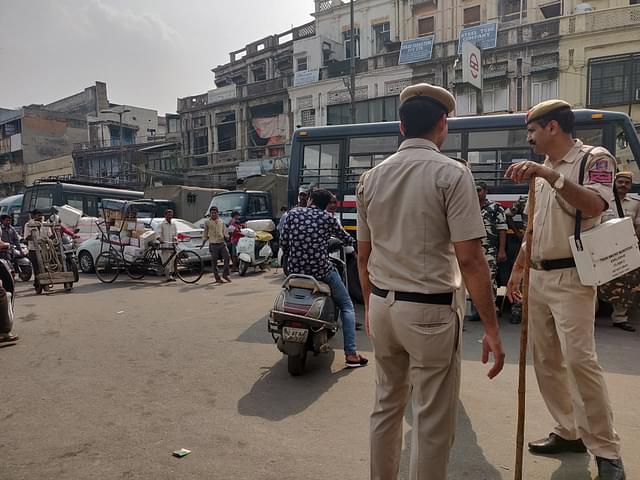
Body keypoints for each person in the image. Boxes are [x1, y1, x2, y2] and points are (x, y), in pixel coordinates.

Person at [357, 83, 505, 480]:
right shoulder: (453, 174)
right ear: (443, 125)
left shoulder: (370, 178)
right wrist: (491, 328)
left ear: (402, 126)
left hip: (383, 307)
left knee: (386, 406)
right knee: (431, 422)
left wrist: (370, 306)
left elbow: (363, 255)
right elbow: (471, 259)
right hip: (430, 311)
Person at [506, 99, 625, 480]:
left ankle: (607, 451)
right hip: (539, 276)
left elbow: (593, 207)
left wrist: (549, 175)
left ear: (552, 127)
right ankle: (568, 429)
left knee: (580, 361)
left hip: (573, 276)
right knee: (545, 362)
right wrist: (519, 269)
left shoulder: (594, 158)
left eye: (533, 131)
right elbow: (535, 227)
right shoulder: (543, 171)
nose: (530, 139)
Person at [280, 188, 368, 368]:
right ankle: (351, 354)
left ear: (310, 199)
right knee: (347, 305)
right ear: (327, 204)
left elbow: (283, 243)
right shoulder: (328, 218)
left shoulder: (292, 214)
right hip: (321, 271)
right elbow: (346, 238)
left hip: (294, 270)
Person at [598, 171, 640, 332]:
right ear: (614, 183)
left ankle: (620, 318)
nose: (623, 185)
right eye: (620, 182)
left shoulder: (636, 203)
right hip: (602, 248)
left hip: (626, 248)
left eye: (627, 183)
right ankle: (589, 315)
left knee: (627, 284)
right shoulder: (604, 200)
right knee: (594, 282)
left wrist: (633, 244)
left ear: (630, 185)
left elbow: (638, 225)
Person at [468, 181, 508, 321]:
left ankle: (491, 310)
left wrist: (501, 250)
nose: (476, 193)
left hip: (489, 250)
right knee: (473, 280)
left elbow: (502, 230)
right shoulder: (468, 207)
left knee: (489, 280)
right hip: (472, 250)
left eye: (478, 190)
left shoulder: (495, 208)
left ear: (485, 191)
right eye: (474, 190)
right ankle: (478, 310)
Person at [200, 206, 231, 284]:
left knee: (227, 258)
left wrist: (227, 238)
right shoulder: (207, 222)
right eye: (212, 213)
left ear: (217, 213)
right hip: (213, 244)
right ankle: (217, 278)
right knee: (214, 262)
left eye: (215, 213)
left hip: (222, 243)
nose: (213, 214)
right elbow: (205, 233)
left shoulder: (221, 221)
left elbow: (225, 231)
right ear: (210, 214)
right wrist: (203, 243)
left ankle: (225, 274)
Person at [23, 210, 49, 291]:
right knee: (36, 267)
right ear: (34, 216)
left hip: (44, 249)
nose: (40, 217)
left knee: (45, 266)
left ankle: (44, 281)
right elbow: (26, 238)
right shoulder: (28, 225)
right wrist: (33, 236)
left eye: (41, 215)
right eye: (38, 215)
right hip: (33, 250)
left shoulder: (45, 224)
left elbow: (50, 235)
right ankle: (38, 283)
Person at [154, 209, 178, 282]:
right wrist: (160, 239)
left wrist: (176, 239)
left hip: (172, 245)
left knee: (172, 260)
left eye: (171, 215)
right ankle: (168, 276)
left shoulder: (173, 224)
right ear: (165, 215)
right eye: (168, 214)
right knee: (166, 261)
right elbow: (157, 233)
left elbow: (175, 234)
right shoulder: (161, 224)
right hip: (164, 246)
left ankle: (170, 274)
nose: (170, 216)